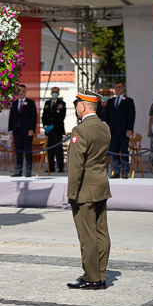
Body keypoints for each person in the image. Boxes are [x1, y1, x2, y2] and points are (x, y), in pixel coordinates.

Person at [66, 91, 111, 291]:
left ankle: (91, 277)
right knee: (101, 232)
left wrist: (72, 193)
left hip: (85, 189)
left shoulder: (81, 130)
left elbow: (76, 166)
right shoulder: (104, 127)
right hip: (101, 185)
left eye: (77, 105)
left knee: (87, 235)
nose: (76, 109)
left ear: (84, 106)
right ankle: (101, 274)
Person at [106, 81, 136, 179]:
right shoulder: (110, 101)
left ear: (123, 88)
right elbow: (107, 116)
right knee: (114, 151)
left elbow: (131, 116)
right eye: (116, 87)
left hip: (124, 131)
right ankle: (117, 171)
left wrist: (130, 129)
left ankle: (125, 171)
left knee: (124, 151)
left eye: (119, 87)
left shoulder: (128, 101)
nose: (117, 89)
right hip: (113, 131)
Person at [8, 84, 37, 177]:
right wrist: (10, 130)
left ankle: (28, 171)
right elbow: (11, 117)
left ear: (26, 92)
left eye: (23, 91)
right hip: (17, 131)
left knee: (28, 151)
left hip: (27, 131)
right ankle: (19, 170)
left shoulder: (31, 103)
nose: (21, 93)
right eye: (19, 91)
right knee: (18, 151)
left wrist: (32, 129)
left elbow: (33, 117)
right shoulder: (14, 103)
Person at [42, 86, 66, 173]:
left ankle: (60, 167)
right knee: (50, 149)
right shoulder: (47, 103)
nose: (54, 93)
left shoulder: (62, 103)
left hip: (57, 130)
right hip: (49, 131)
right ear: (51, 93)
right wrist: (45, 126)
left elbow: (61, 117)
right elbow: (44, 116)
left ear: (58, 93)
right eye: (53, 92)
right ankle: (50, 166)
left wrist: (53, 125)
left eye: (56, 92)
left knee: (58, 149)